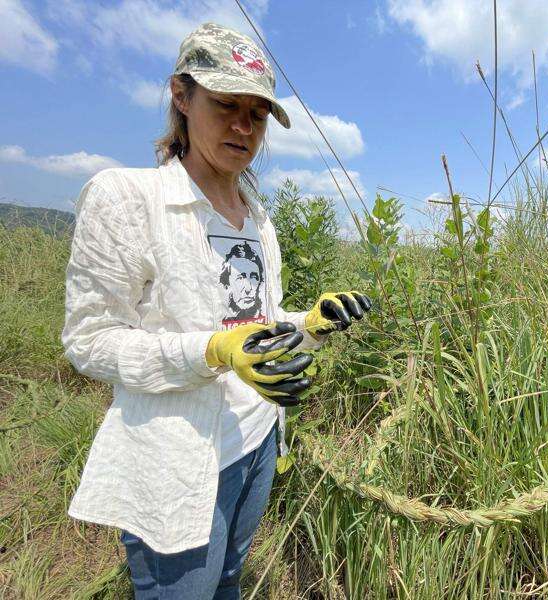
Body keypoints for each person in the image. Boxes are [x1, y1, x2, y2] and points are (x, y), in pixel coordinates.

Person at [61, 22, 372, 599]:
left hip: (255, 440)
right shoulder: (128, 198)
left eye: (256, 115)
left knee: (228, 580)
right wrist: (210, 350)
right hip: (179, 460)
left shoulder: (255, 215)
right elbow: (89, 340)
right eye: (226, 104)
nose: (241, 127)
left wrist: (306, 325)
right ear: (182, 96)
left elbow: (253, 323)